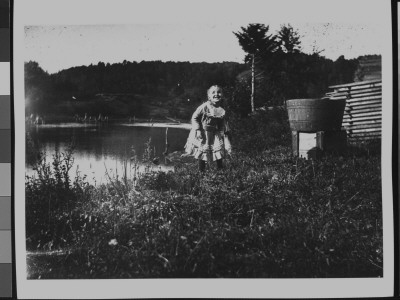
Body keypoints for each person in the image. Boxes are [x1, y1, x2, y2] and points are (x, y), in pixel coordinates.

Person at [184, 85, 232, 172]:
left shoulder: (221, 109)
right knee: (203, 151)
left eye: (219, 92)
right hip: (203, 132)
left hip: (214, 133)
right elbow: (194, 117)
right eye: (213, 92)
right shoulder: (204, 107)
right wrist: (198, 130)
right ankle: (201, 171)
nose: (216, 94)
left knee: (219, 150)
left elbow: (221, 123)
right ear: (209, 96)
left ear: (222, 95)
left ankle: (220, 170)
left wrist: (222, 133)